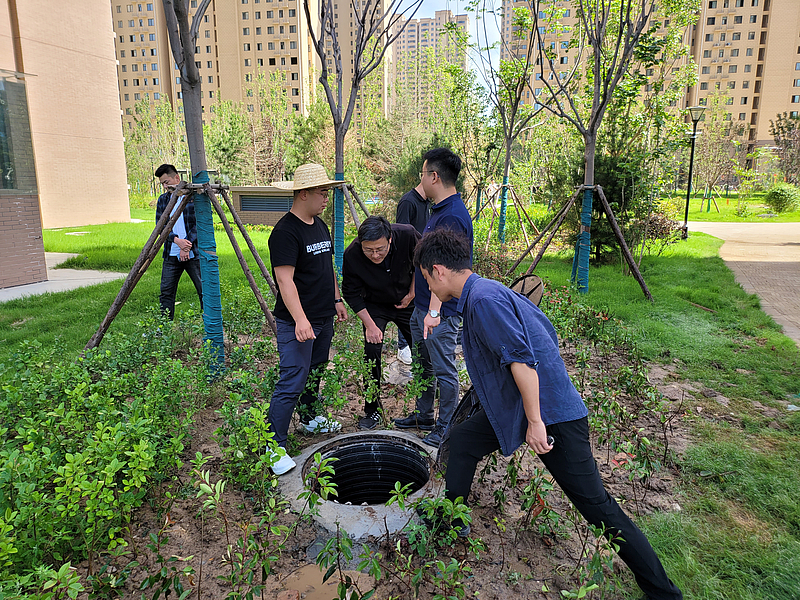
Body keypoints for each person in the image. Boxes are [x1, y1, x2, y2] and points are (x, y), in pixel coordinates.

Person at [414, 229, 683, 600]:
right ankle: (451, 518)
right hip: (522, 405)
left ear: (439, 271)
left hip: (552, 415)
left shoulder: (484, 301)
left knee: (596, 506)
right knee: (463, 440)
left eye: (427, 278)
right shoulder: (481, 292)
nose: (428, 286)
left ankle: (664, 593)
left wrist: (536, 421)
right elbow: (543, 334)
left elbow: (522, 362)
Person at [266, 163, 349, 475]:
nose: (326, 198)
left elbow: (327, 267)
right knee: (293, 379)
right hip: (297, 322)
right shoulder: (285, 232)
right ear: (303, 194)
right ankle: (273, 446)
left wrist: (336, 299)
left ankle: (310, 417)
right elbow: (284, 281)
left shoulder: (320, 225)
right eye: (322, 192)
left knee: (315, 370)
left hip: (323, 315)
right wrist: (301, 320)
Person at [393, 148, 473, 447]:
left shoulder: (452, 216)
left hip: (441, 311)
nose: (421, 180)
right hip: (424, 307)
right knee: (423, 365)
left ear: (434, 176)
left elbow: (445, 270)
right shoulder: (439, 210)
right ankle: (424, 415)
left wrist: (435, 312)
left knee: (443, 369)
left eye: (423, 174)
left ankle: (446, 426)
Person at [341, 216, 421, 430]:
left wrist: (413, 292)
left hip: (407, 299)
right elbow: (350, 291)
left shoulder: (407, 235)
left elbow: (422, 262)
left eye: (380, 249)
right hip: (374, 305)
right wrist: (370, 325)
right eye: (369, 250)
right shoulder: (352, 254)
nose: (375, 255)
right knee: (372, 351)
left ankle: (424, 406)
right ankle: (372, 410)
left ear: (390, 239)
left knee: (422, 347)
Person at [154, 164, 203, 320]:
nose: (165, 186)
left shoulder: (194, 197)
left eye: (166, 182)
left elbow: (200, 224)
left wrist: (186, 244)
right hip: (171, 253)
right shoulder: (163, 200)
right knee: (166, 292)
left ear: (177, 178)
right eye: (162, 183)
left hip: (193, 253)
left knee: (203, 290)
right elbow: (160, 226)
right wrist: (176, 241)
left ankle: (209, 324)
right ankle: (164, 326)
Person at [394, 180, 430, 364]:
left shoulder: (427, 202)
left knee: (418, 303)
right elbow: (401, 235)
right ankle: (403, 347)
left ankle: (415, 343)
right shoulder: (408, 202)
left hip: (423, 261)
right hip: (408, 263)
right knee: (407, 304)